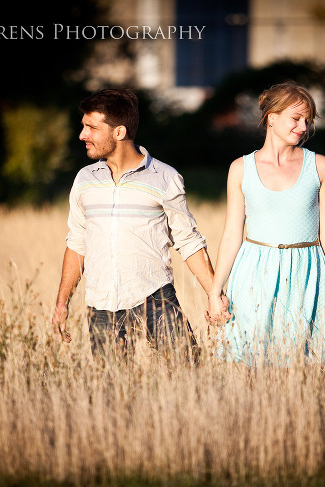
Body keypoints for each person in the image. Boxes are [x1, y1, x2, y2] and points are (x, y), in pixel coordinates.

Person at [52, 88, 228, 360]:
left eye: (91, 127)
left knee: (185, 373)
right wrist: (62, 302)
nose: (82, 135)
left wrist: (214, 294)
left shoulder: (164, 178)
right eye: (83, 126)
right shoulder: (84, 180)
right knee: (113, 391)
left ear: (119, 132)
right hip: (101, 305)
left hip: (155, 296)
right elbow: (77, 243)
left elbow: (189, 241)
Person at [207, 82, 325, 365]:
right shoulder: (240, 169)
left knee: (305, 367)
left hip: (307, 272)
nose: (303, 126)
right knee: (250, 363)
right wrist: (215, 293)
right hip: (253, 273)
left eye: (307, 120)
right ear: (271, 117)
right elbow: (231, 235)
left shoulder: (321, 166)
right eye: (296, 118)